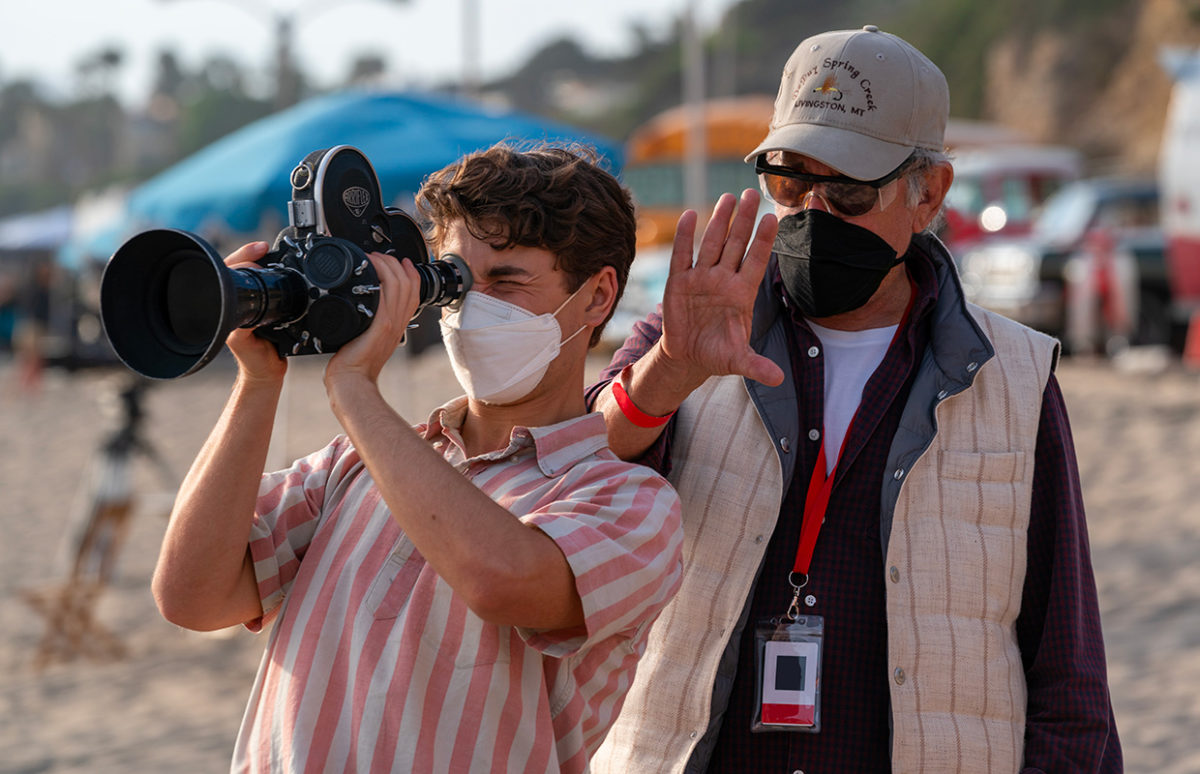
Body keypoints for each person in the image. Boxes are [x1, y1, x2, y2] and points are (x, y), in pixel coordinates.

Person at [587, 26, 1121, 773]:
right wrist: (669, 372)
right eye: (788, 183)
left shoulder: (1018, 377)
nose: (813, 211)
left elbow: (1068, 671)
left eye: (847, 189)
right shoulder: (689, 328)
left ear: (928, 192)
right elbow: (574, 479)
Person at [151, 143, 684, 773]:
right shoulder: (353, 465)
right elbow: (191, 596)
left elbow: (502, 581)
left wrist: (353, 389)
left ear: (597, 297)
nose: (473, 306)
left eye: (506, 280)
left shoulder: (632, 503)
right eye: (454, 280)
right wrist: (257, 382)